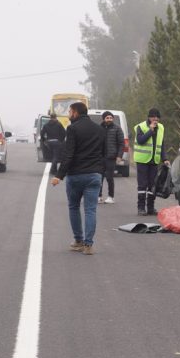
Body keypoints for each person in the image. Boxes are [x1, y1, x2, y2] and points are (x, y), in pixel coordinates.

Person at [50, 101, 105, 255]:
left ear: (75, 112)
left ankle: (78, 241)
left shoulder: (72, 129)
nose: (68, 115)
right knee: (90, 210)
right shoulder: (99, 129)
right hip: (95, 175)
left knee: (74, 207)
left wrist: (59, 176)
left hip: (76, 175)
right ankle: (88, 245)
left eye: (69, 112)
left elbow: (69, 154)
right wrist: (100, 172)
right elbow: (105, 153)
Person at [133, 108, 169, 216]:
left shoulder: (161, 127)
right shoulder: (141, 126)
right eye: (153, 116)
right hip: (142, 160)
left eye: (157, 117)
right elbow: (140, 140)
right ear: (149, 117)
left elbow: (161, 145)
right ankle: (141, 208)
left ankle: (150, 208)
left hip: (154, 161)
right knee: (142, 185)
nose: (156, 119)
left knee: (153, 185)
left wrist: (165, 158)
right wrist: (150, 130)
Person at [99, 111, 125, 204]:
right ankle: (99, 196)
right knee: (99, 177)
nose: (109, 119)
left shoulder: (117, 128)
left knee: (109, 177)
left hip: (111, 157)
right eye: (107, 118)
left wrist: (119, 156)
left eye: (110, 117)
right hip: (99, 157)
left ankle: (111, 196)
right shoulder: (99, 128)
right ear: (104, 119)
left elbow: (121, 144)